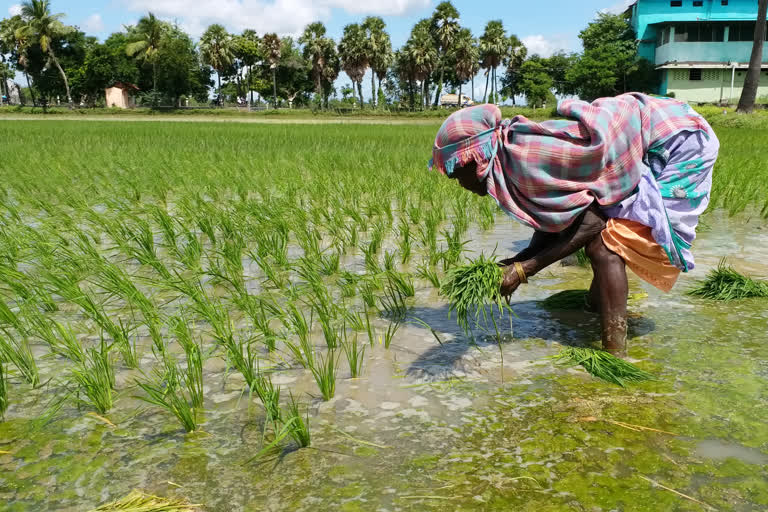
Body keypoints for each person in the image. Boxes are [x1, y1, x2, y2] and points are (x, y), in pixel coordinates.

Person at [430, 93, 719, 357]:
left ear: (474, 159)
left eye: (457, 175)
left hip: (678, 139)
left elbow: (592, 220)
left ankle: (614, 352)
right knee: (604, 234)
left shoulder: (525, 158)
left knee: (604, 244)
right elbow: (558, 216)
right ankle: (595, 308)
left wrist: (524, 269)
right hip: (653, 127)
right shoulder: (508, 155)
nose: (461, 184)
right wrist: (516, 262)